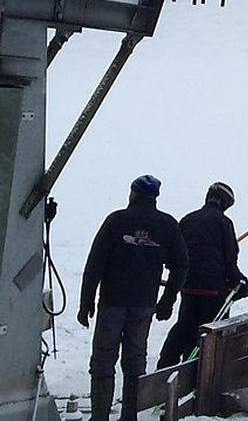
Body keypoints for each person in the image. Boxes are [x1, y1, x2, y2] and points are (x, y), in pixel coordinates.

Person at [79, 175, 188, 421]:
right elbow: (181, 265)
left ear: (132, 194)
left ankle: (99, 417)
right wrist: (167, 301)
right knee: (135, 360)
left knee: (103, 360)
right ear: (155, 197)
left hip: (111, 303)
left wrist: (85, 302)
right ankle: (130, 417)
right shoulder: (167, 225)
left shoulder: (116, 221)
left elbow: (94, 264)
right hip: (144, 305)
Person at [157, 182, 248, 370]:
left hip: (188, 287)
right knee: (209, 334)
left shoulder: (187, 220)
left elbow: (173, 256)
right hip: (214, 292)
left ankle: (165, 368)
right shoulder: (224, 223)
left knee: (184, 326)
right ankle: (197, 373)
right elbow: (230, 262)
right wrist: (241, 285)